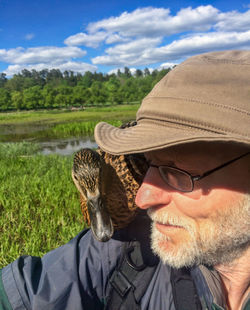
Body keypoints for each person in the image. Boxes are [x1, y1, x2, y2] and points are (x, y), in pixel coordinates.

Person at [0, 50, 249, 310]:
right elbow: (29, 291)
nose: (143, 199)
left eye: (177, 173)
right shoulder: (124, 248)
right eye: (147, 163)